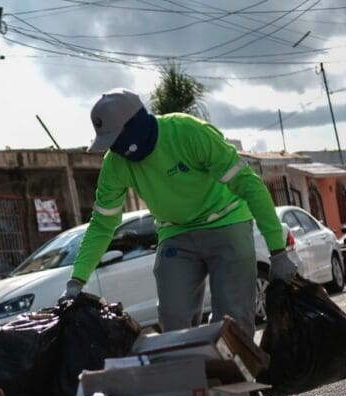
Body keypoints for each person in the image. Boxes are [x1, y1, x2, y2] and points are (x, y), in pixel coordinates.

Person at [63, 88, 297, 338]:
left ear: (135, 124)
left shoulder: (188, 132)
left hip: (226, 221)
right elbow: (102, 224)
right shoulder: (115, 164)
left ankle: (234, 373)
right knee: (173, 318)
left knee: (233, 320)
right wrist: (76, 281)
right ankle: (192, 372)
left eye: (115, 138)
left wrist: (278, 252)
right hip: (176, 231)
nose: (115, 149)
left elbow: (250, 186)